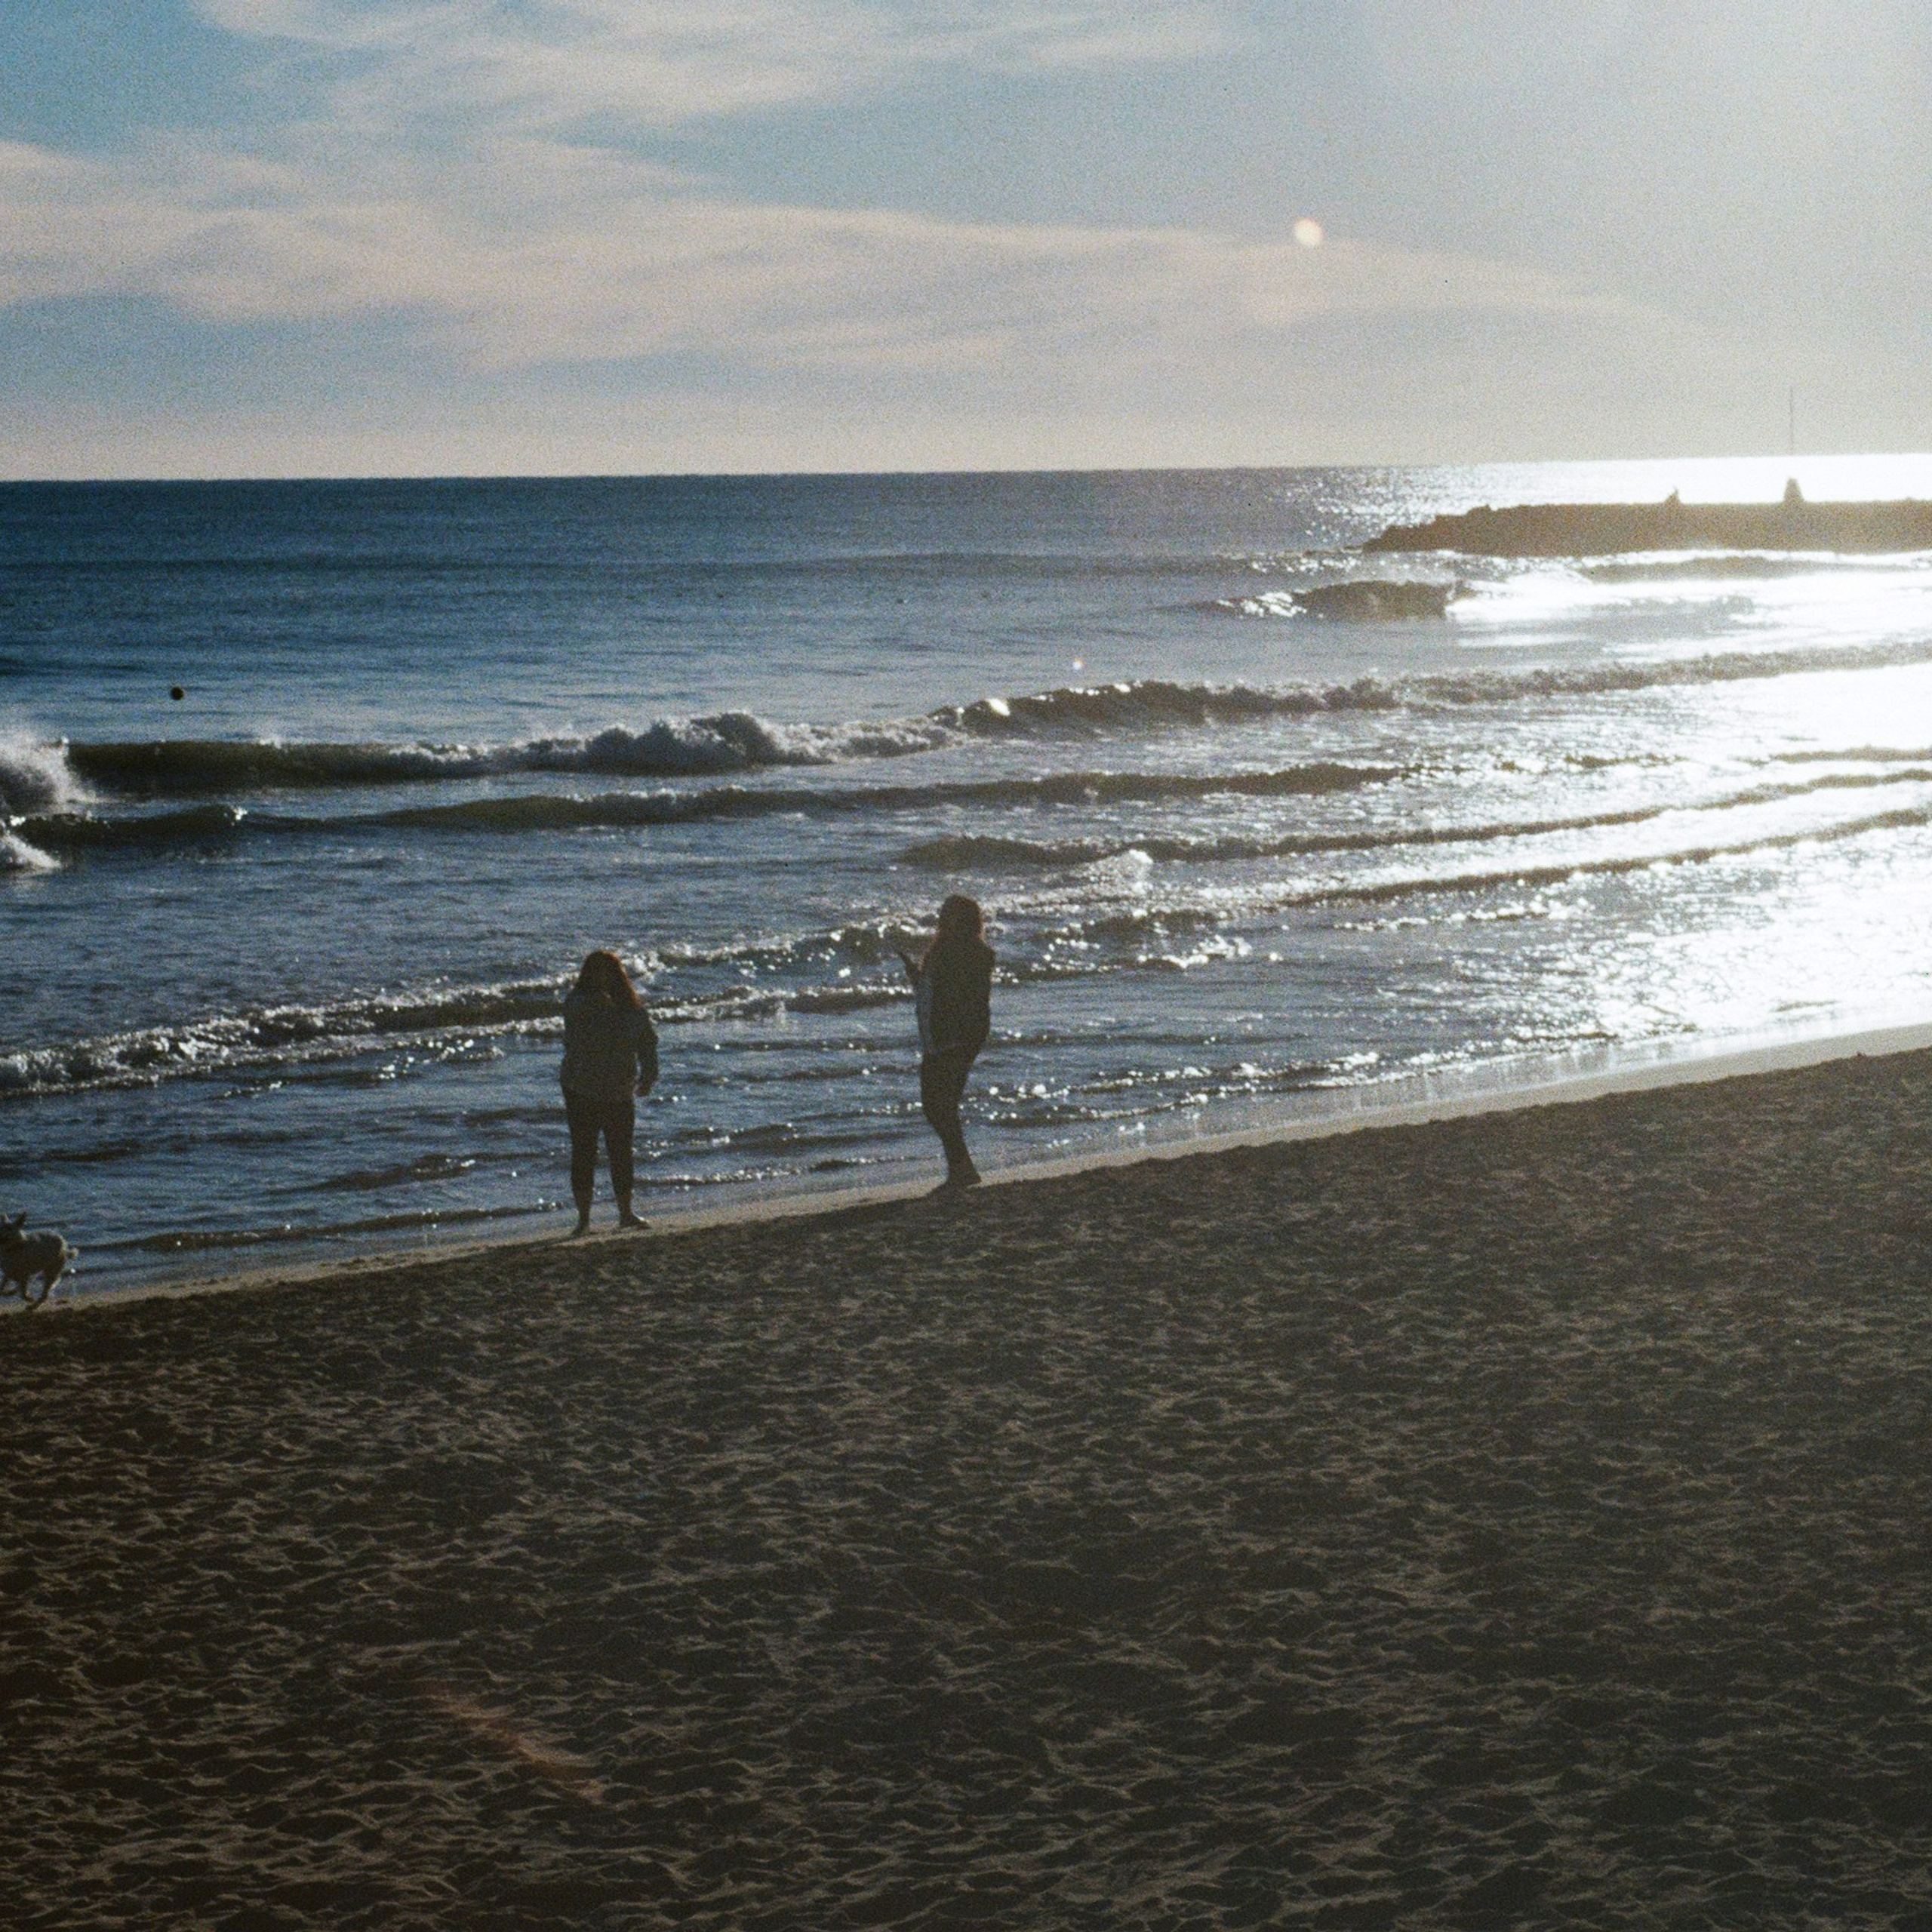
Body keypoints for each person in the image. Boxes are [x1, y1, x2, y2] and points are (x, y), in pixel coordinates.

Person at [897, 895, 995, 1189]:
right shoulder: (948, 949)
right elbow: (936, 991)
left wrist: (951, 1036)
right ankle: (961, 1168)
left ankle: (962, 1168)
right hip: (943, 1035)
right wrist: (917, 977)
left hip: (953, 1036)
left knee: (938, 1105)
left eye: (947, 913)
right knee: (940, 1105)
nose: (941, 918)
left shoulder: (965, 951)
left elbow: (961, 995)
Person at [559, 949, 659, 1235]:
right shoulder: (577, 1003)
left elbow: (647, 1043)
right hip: (581, 1088)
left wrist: (649, 1075)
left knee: (620, 1151)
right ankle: (584, 1220)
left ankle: (625, 1213)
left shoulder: (632, 1009)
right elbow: (574, 1036)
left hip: (617, 1088)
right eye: (597, 973)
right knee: (584, 1151)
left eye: (609, 973)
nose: (603, 978)